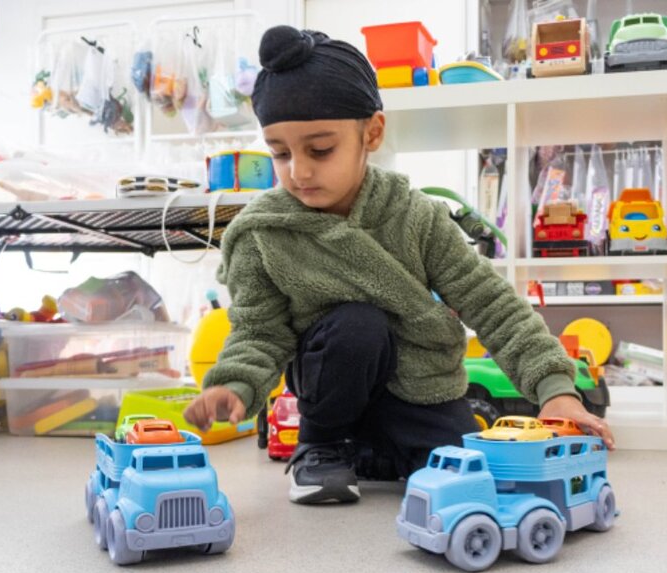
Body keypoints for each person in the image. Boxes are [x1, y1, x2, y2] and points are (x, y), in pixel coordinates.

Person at [183, 25, 615, 505]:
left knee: (469, 480)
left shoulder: (417, 217)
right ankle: (322, 447)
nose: (299, 171)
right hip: (333, 390)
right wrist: (236, 383)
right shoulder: (262, 233)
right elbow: (259, 331)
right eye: (280, 153)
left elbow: (492, 305)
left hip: (422, 391)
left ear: (372, 132)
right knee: (357, 324)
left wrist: (555, 388)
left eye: (320, 150)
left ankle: (379, 454)